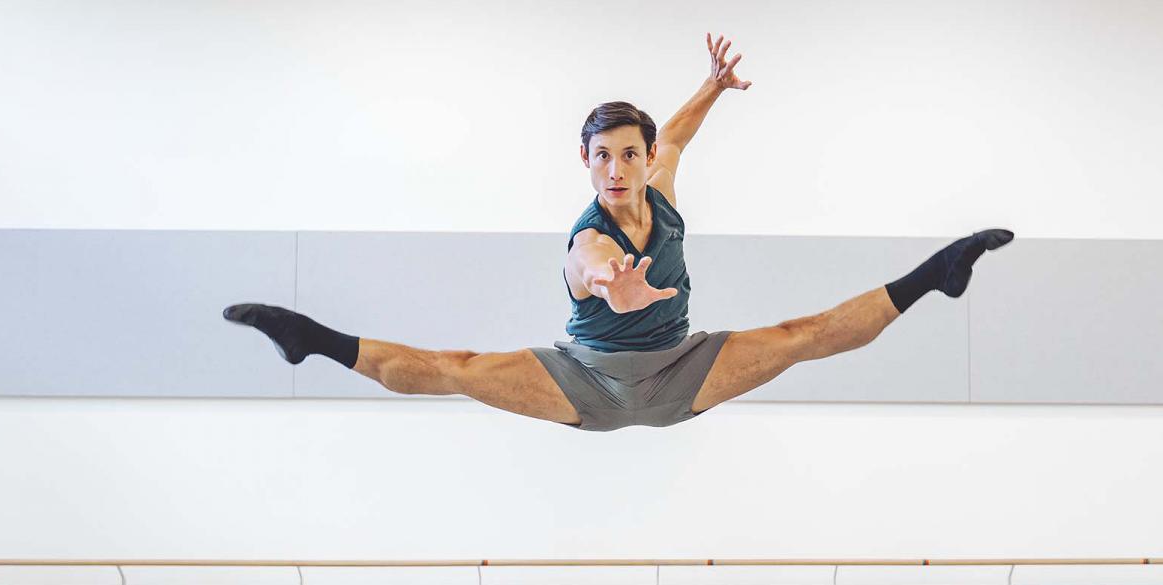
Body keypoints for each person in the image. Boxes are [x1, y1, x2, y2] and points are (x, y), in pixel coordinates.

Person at [224, 33, 1013, 432]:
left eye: (628, 155)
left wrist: (712, 86)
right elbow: (593, 265)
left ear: (641, 160)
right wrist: (614, 283)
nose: (617, 170)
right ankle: (313, 339)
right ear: (586, 162)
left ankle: (934, 275)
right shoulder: (587, 239)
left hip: (682, 372)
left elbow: (676, 136)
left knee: (801, 333)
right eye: (601, 157)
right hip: (588, 379)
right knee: (455, 367)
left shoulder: (659, 184)